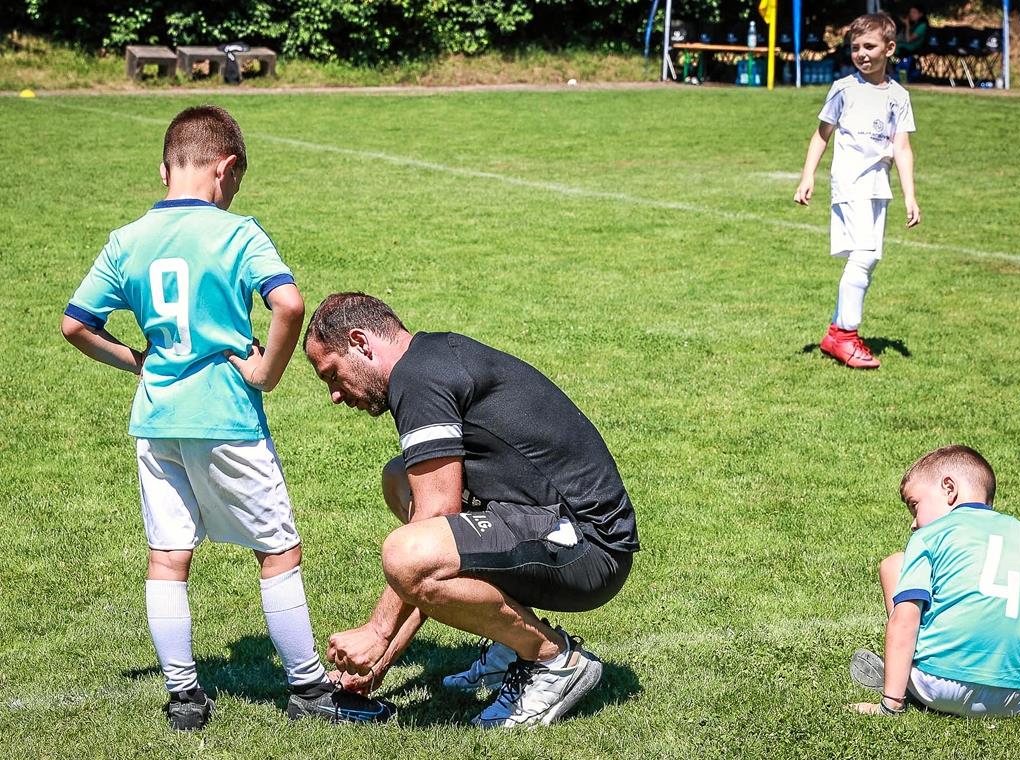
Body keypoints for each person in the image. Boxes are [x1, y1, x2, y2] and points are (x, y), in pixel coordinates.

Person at [60, 105, 392, 730]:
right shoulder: (238, 233)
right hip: (227, 416)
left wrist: (138, 361)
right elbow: (289, 303)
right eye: (236, 183)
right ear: (226, 167)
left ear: (164, 169)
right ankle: (308, 690)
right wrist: (266, 371)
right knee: (279, 550)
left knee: (167, 555)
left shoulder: (126, 241)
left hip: (157, 419)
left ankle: (184, 698)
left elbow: (75, 325)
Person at [302, 292, 639, 728]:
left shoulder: (418, 377)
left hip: (589, 545)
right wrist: (378, 662)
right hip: (558, 525)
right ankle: (510, 641)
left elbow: (431, 529)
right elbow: (438, 546)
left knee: (409, 552)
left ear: (361, 342)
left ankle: (554, 660)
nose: (334, 394)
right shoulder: (429, 359)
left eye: (332, 374)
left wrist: (377, 632)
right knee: (398, 479)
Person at [849, 445, 1020, 718]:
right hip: (1013, 698)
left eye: (914, 505)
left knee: (894, 564)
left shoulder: (929, 536)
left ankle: (901, 683)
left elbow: (905, 617)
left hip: (936, 687)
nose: (913, 523)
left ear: (949, 488)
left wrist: (890, 704)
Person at [793, 13, 920, 370]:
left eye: (869, 46)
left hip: (879, 185)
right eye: (855, 47)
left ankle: (836, 331)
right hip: (850, 181)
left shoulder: (898, 96)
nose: (862, 54)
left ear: (889, 48)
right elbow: (821, 135)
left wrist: (910, 195)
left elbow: (902, 148)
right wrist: (808, 176)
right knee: (863, 255)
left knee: (869, 257)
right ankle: (845, 336)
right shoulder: (844, 89)